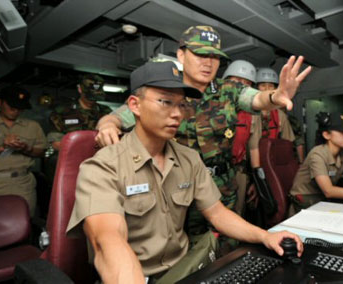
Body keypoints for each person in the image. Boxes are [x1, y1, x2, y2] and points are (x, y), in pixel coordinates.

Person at [66, 61, 303, 284]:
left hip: (187, 270)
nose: (178, 113)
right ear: (135, 105)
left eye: (181, 104)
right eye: (165, 102)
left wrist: (265, 236)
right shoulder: (104, 166)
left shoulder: (188, 158)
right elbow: (107, 241)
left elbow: (218, 214)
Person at [94, 25, 311, 238]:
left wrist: (275, 95)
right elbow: (120, 115)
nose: (208, 63)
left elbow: (256, 98)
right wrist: (107, 124)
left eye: (214, 57)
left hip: (222, 189)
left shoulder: (228, 90)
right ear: (181, 54)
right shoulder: (165, 90)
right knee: (180, 252)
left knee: (227, 247)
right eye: (200, 54)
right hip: (178, 190)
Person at [0, 86, 47, 216]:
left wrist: (25, 148)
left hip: (23, 184)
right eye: (11, 106)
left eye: (20, 108)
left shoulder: (33, 126)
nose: (16, 111)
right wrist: (3, 147)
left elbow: (42, 153)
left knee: (24, 224)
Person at [222, 59, 259, 216]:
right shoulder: (209, 106)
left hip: (239, 172)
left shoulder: (253, 115)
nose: (240, 87)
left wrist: (257, 182)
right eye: (236, 81)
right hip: (207, 173)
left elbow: (254, 149)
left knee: (236, 215)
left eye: (246, 83)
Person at [250, 68, 305, 164]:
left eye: (270, 86)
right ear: (257, 88)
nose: (267, 89)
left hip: (273, 159)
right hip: (249, 161)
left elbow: (288, 142)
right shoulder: (249, 112)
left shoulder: (280, 115)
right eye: (263, 85)